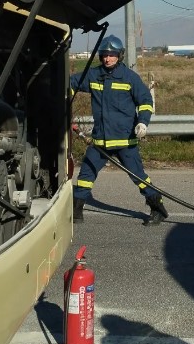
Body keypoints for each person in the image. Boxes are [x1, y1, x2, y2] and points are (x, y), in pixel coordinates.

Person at [71, 35, 169, 225]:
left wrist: (143, 122)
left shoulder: (130, 78)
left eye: (112, 55)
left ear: (120, 56)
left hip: (125, 141)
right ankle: (76, 212)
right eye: (105, 55)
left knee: (139, 178)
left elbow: (146, 101)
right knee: (85, 175)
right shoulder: (93, 75)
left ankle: (158, 209)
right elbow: (71, 83)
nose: (108, 59)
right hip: (100, 141)